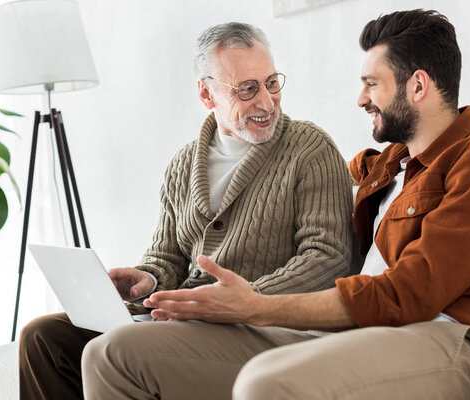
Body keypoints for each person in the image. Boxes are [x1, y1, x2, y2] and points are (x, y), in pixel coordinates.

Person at [82, 9, 470, 400]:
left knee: (267, 381)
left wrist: (254, 305)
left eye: (372, 84)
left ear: (418, 86)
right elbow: (295, 179)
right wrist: (162, 281)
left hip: (456, 335)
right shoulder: (389, 167)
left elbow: (408, 294)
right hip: (368, 330)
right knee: (111, 354)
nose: (361, 98)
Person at [19, 23, 356, 399]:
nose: (266, 101)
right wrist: (147, 279)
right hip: (188, 319)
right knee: (42, 337)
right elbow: (167, 257)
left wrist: (242, 300)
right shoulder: (182, 165)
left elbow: (329, 259)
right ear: (206, 93)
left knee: (113, 350)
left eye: (271, 82)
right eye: (247, 89)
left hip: (264, 327)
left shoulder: (310, 150)